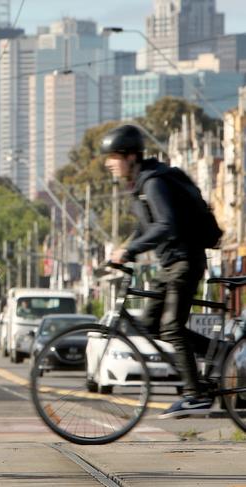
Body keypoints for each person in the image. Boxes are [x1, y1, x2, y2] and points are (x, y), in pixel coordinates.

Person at [102, 124, 211, 418]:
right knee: (148, 324)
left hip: (184, 262)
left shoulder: (153, 183)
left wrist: (131, 250)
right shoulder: (140, 186)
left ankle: (194, 394)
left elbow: (167, 225)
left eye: (113, 156)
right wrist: (124, 249)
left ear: (131, 156)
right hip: (169, 265)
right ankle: (218, 351)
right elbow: (146, 226)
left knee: (172, 327)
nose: (108, 163)